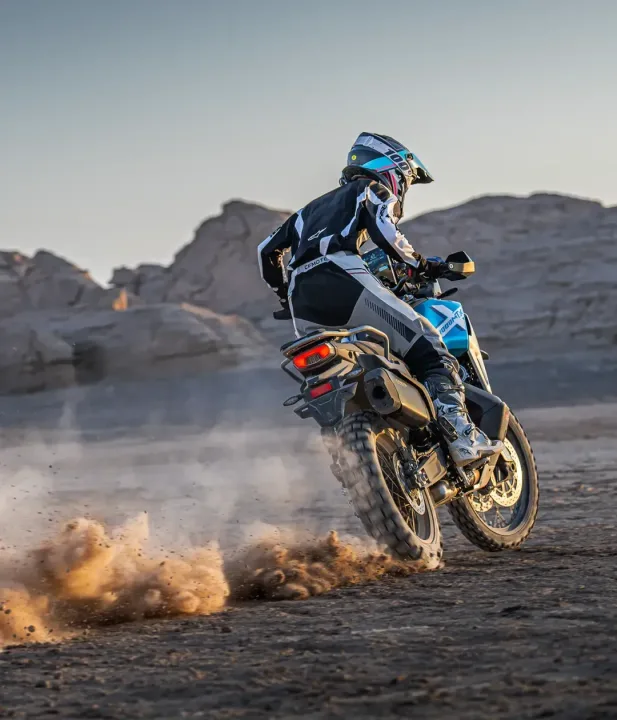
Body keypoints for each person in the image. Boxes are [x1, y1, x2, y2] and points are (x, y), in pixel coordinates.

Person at [257, 132, 501, 467]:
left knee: (348, 371)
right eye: (406, 180)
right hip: (341, 277)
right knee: (429, 346)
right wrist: (421, 263)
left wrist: (284, 294)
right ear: (393, 169)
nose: (404, 188)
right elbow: (385, 230)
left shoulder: (304, 213)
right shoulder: (371, 190)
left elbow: (266, 251)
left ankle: (358, 461)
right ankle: (462, 436)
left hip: (302, 301)